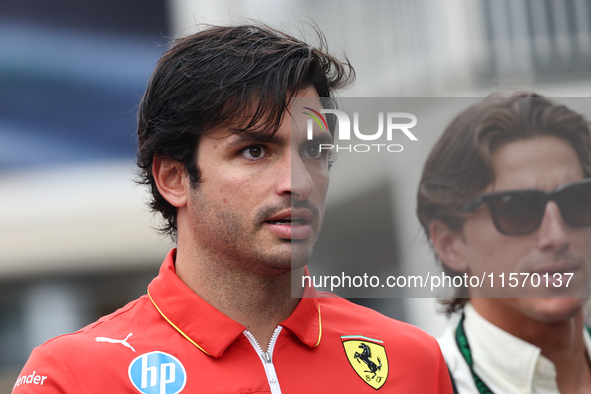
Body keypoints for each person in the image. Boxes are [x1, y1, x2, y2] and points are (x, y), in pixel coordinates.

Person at [14, 24, 453, 393]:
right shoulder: (72, 376)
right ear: (174, 177)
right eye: (255, 151)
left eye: (314, 150)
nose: (298, 183)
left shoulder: (413, 360)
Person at [417, 94, 591, 393]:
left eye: (577, 200)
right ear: (450, 245)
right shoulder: (423, 385)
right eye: (517, 208)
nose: (557, 237)